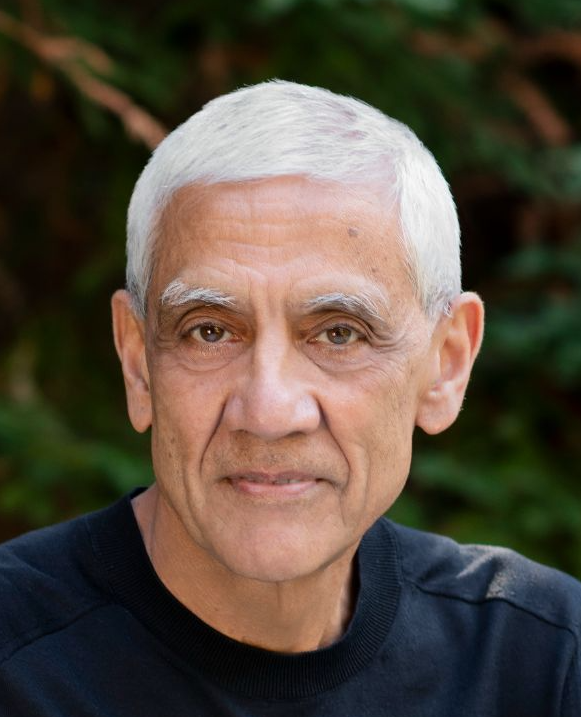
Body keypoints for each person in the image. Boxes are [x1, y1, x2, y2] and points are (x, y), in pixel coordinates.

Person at [0, 80, 579, 716]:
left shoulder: (543, 664)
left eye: (339, 334)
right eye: (209, 331)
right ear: (138, 363)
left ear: (446, 365)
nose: (269, 412)